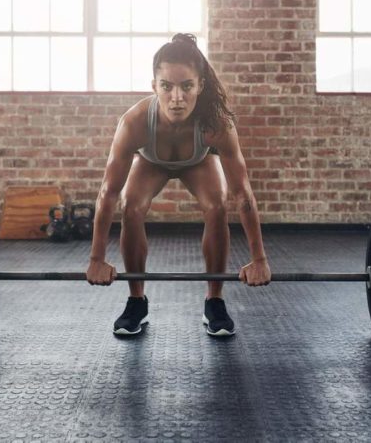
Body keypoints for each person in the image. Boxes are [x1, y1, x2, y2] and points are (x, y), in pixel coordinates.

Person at [86, 33, 271, 337]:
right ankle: (136, 301)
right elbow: (108, 193)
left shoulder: (217, 124)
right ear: (154, 87)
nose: (177, 97)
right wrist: (96, 259)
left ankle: (214, 301)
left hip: (198, 161)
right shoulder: (133, 123)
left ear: (200, 85)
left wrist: (259, 259)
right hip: (151, 162)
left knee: (216, 205)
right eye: (167, 87)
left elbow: (243, 194)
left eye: (187, 86)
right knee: (131, 206)